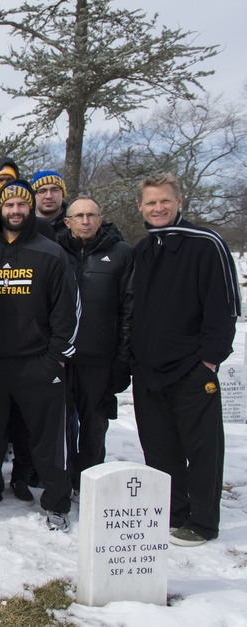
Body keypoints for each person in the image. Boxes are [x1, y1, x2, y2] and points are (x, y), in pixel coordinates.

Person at [0, 179, 79, 532]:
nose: (15, 211)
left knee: (47, 439)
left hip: (38, 362)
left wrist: (56, 357)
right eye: (9, 205)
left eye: (21, 205)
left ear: (30, 209)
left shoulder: (51, 252)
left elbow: (68, 310)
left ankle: (57, 501)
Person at [129, 173, 239, 547]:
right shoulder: (144, 250)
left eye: (165, 201)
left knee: (202, 448)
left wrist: (208, 361)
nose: (157, 208)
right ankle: (172, 513)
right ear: (140, 207)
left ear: (179, 202)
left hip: (191, 370)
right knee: (159, 447)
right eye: (150, 202)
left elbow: (225, 308)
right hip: (148, 371)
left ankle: (203, 522)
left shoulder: (205, 243)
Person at [57, 197, 133, 497]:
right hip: (62, 355)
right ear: (68, 221)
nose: (85, 221)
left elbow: (130, 307)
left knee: (93, 426)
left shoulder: (122, 253)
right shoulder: (55, 250)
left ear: (101, 218)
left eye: (91, 215)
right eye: (79, 216)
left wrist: (122, 360)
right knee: (60, 426)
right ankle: (61, 482)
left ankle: (89, 484)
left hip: (100, 356)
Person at [32, 170, 68, 238]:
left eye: (54, 190)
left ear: (63, 194)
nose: (49, 196)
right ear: (34, 196)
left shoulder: (74, 226)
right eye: (42, 191)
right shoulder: (25, 227)